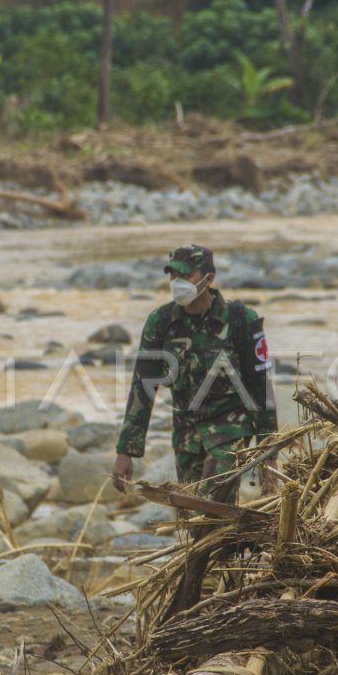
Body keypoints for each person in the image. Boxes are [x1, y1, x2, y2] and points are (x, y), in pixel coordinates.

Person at [112, 244, 277, 618]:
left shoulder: (240, 321)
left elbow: (262, 388)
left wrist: (269, 454)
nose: (177, 282)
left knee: (210, 501)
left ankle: (193, 599)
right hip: (186, 434)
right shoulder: (161, 323)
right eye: (172, 275)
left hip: (231, 431)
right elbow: (144, 386)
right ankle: (222, 594)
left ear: (208, 279)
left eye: (185, 275)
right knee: (198, 523)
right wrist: (126, 451)